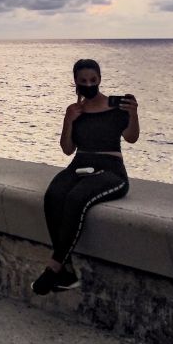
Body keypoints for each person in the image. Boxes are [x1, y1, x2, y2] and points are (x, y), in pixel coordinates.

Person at [31, 59, 139, 295]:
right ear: (76, 83)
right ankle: (67, 273)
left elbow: (131, 138)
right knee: (54, 195)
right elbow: (67, 149)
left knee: (77, 197)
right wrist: (68, 120)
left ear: (100, 79)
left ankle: (54, 267)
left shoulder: (116, 107)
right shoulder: (75, 111)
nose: (89, 84)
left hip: (111, 168)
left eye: (93, 80)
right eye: (83, 81)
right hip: (80, 162)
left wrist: (134, 114)